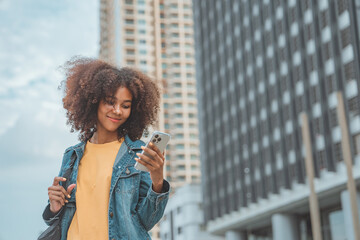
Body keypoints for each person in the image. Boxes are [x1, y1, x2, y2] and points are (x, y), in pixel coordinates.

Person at [42, 57, 170, 240]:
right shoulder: (72, 156)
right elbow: (58, 219)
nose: (117, 110)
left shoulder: (136, 153)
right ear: (94, 102)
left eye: (125, 105)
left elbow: (147, 221)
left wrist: (157, 182)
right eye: (110, 102)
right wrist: (54, 206)